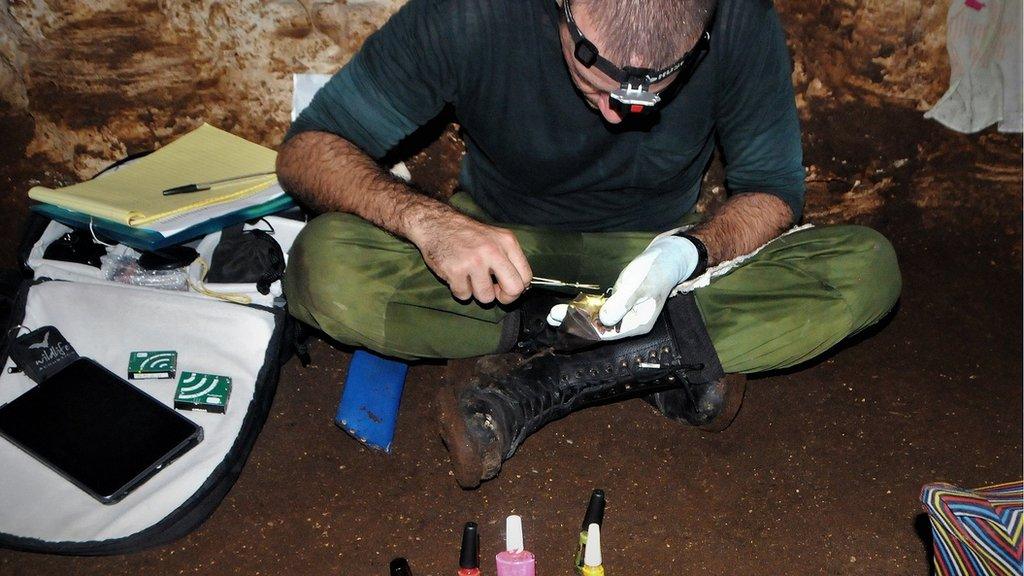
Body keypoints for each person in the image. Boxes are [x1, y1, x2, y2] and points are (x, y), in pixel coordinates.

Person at [276, 0, 901, 488]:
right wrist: (426, 221)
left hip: (658, 258)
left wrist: (689, 252)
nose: (615, 114)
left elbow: (773, 190)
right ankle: (647, 359)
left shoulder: (743, 18)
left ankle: (543, 376)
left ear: (702, 35)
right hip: (501, 255)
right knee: (324, 265)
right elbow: (308, 150)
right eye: (593, 77)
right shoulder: (471, 12)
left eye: (650, 90)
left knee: (866, 268)